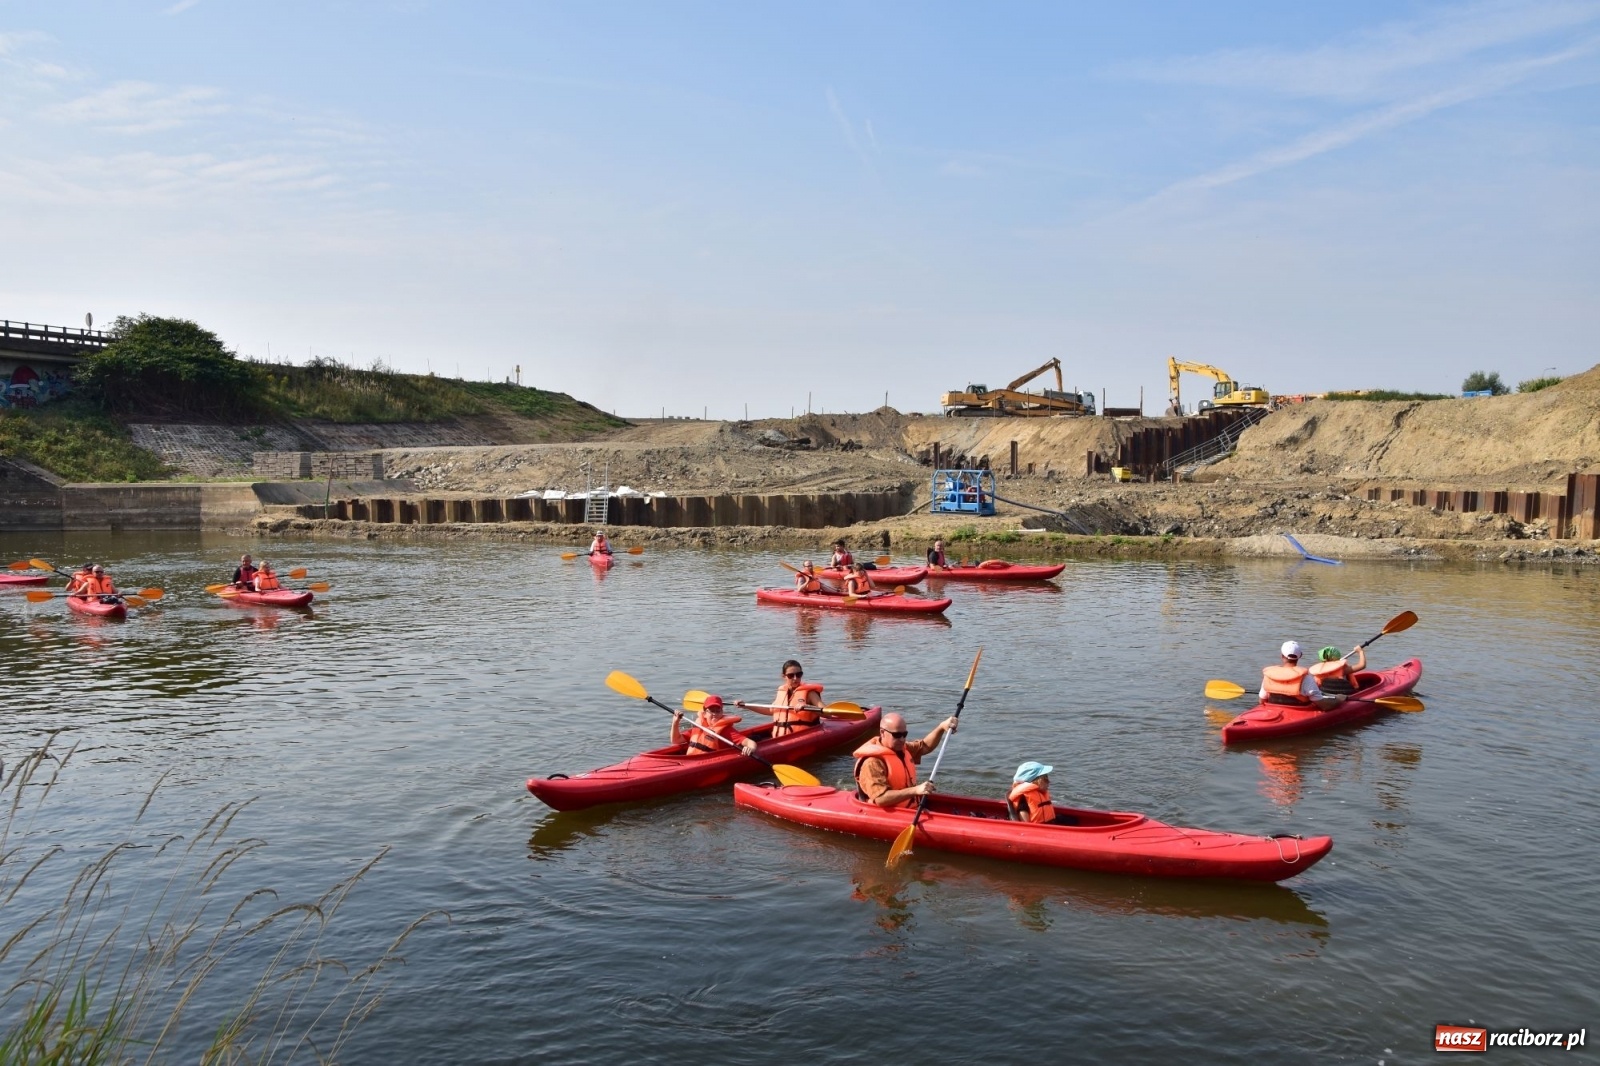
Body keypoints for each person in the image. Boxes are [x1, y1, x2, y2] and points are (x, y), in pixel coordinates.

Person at [852, 711, 959, 808]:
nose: (902, 739)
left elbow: (925, 746)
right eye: (897, 735)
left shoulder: (902, 748)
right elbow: (881, 799)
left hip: (911, 807)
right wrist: (915, 790)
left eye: (904, 734)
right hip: (888, 812)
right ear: (882, 732)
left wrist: (941, 727)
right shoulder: (872, 762)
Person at [738, 659, 824, 738]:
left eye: (799, 675)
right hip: (779, 736)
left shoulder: (810, 693)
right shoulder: (782, 691)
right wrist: (746, 706)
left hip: (801, 736)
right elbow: (770, 711)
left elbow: (827, 713)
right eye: (791, 675)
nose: (795, 678)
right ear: (783, 676)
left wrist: (808, 707)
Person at [1259, 641, 1346, 711]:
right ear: (1300, 656)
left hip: (1273, 710)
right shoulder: (1306, 678)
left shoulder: (1269, 676)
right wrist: (1338, 699)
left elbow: (1261, 701)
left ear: (1282, 656)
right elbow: (1324, 706)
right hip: (1299, 711)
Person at [671, 695, 757, 757]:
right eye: (712, 711)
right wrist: (676, 722)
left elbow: (750, 743)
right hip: (691, 760)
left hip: (706, 762)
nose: (715, 714)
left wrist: (750, 749)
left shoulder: (726, 731)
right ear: (704, 713)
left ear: (722, 712)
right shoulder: (699, 726)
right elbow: (676, 740)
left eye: (717, 711)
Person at [1007, 762, 1077, 825]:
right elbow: (1025, 825)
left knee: (1074, 820)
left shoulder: (1039, 792)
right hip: (1039, 829)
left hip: (1050, 823)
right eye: (1045, 779)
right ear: (1034, 781)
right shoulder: (1024, 797)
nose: (1049, 782)